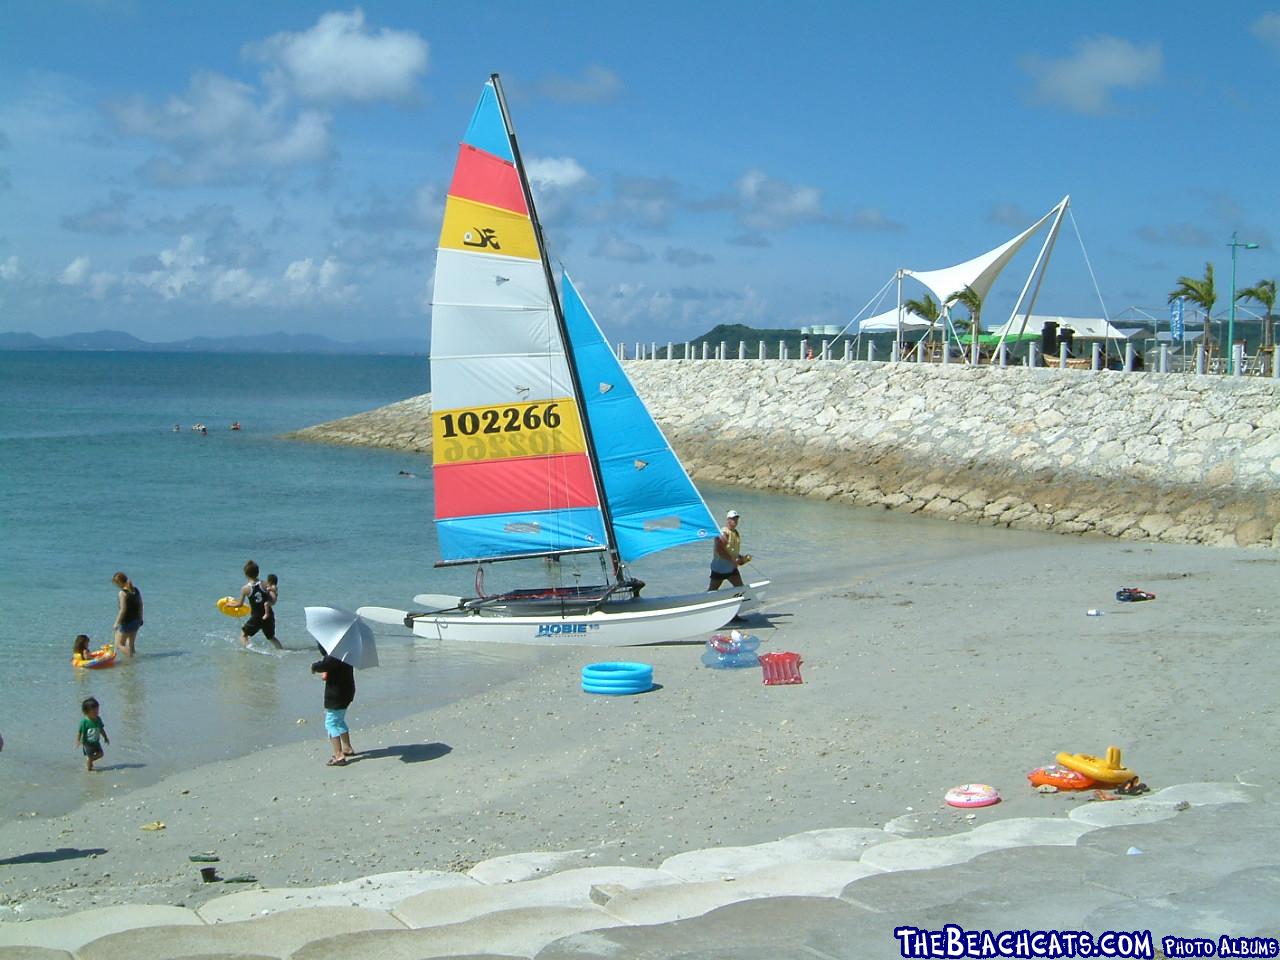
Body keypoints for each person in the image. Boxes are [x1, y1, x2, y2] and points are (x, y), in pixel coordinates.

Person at [311, 645, 356, 766]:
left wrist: (315, 666)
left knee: (330, 723)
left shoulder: (335, 653)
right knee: (339, 720)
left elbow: (325, 664)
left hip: (337, 693)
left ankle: (339, 755)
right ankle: (347, 748)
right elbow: (329, 665)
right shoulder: (346, 650)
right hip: (347, 690)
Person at [237, 561, 282, 649]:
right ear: (258, 572)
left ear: (246, 574)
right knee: (271, 637)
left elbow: (239, 604)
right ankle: (281, 651)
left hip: (256, 617)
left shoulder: (245, 589)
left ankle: (250, 649)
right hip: (268, 615)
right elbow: (273, 596)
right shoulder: (265, 584)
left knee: (243, 635)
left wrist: (228, 604)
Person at [708, 509, 751, 591]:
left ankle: (742, 601)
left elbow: (732, 550)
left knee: (740, 588)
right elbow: (719, 550)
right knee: (712, 590)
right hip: (719, 569)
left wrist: (741, 558)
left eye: (736, 518)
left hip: (731, 568)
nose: (735, 521)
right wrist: (733, 559)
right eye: (733, 519)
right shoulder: (724, 533)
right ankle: (705, 601)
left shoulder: (735, 533)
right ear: (728, 520)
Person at [112, 572, 143, 655]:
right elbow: (140, 605)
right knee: (131, 644)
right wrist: (140, 618)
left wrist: (116, 623)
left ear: (119, 582)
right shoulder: (136, 590)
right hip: (136, 620)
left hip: (127, 621)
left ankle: (130, 659)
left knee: (119, 644)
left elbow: (123, 609)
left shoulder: (122, 593)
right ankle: (133, 663)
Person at [76, 696, 109, 772]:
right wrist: (78, 740)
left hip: (96, 742)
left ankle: (90, 760)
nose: (96, 713)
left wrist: (105, 737)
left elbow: (101, 729)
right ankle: (89, 772)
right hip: (87, 743)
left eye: (97, 711)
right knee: (90, 761)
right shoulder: (84, 721)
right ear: (86, 712)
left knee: (101, 754)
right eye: (94, 712)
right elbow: (80, 732)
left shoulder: (98, 719)